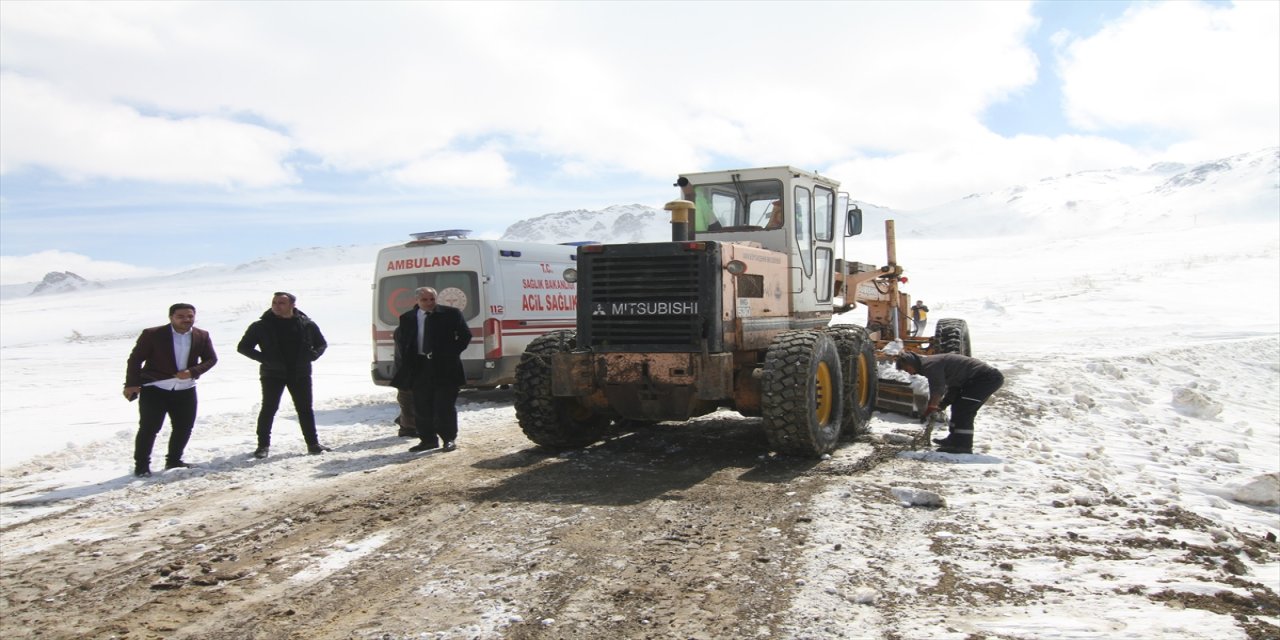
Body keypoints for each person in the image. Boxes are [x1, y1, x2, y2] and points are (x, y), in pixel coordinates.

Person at [123, 303, 218, 477]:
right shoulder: (153, 334)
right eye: (181, 316)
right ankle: (142, 465)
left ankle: (174, 460)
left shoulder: (201, 335)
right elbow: (135, 359)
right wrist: (131, 384)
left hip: (186, 389)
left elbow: (211, 359)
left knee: (184, 427)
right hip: (156, 387)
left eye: (190, 316)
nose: (186, 320)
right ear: (171, 317)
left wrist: (192, 372)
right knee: (149, 428)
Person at [237, 292, 331, 458]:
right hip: (273, 374)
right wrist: (265, 359)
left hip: (300, 373)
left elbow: (321, 343)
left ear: (292, 305)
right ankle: (262, 446)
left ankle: (313, 444)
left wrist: (312, 355)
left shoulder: (306, 324)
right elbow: (243, 347)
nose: (276, 306)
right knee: (269, 408)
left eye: (281, 303)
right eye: (274, 302)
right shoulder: (261, 326)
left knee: (305, 409)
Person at [390, 287, 472, 453]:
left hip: (445, 367)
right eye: (424, 300)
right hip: (420, 367)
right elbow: (403, 341)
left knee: (444, 405)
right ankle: (427, 439)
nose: (429, 303)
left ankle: (448, 438)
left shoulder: (451, 314)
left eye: (432, 299)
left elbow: (465, 336)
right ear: (417, 301)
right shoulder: (408, 318)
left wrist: (451, 353)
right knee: (421, 406)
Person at [895, 352, 1004, 454]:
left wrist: (932, 406)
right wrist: (944, 403)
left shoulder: (930, 365)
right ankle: (954, 439)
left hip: (986, 379)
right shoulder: (930, 364)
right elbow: (954, 386)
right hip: (976, 380)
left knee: (964, 409)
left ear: (911, 363)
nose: (909, 372)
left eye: (907, 368)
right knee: (957, 406)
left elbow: (938, 387)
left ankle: (963, 445)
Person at [391, 324, 417, 437]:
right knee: (408, 400)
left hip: (405, 371)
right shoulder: (405, 329)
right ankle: (407, 427)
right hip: (406, 371)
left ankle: (406, 423)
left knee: (408, 400)